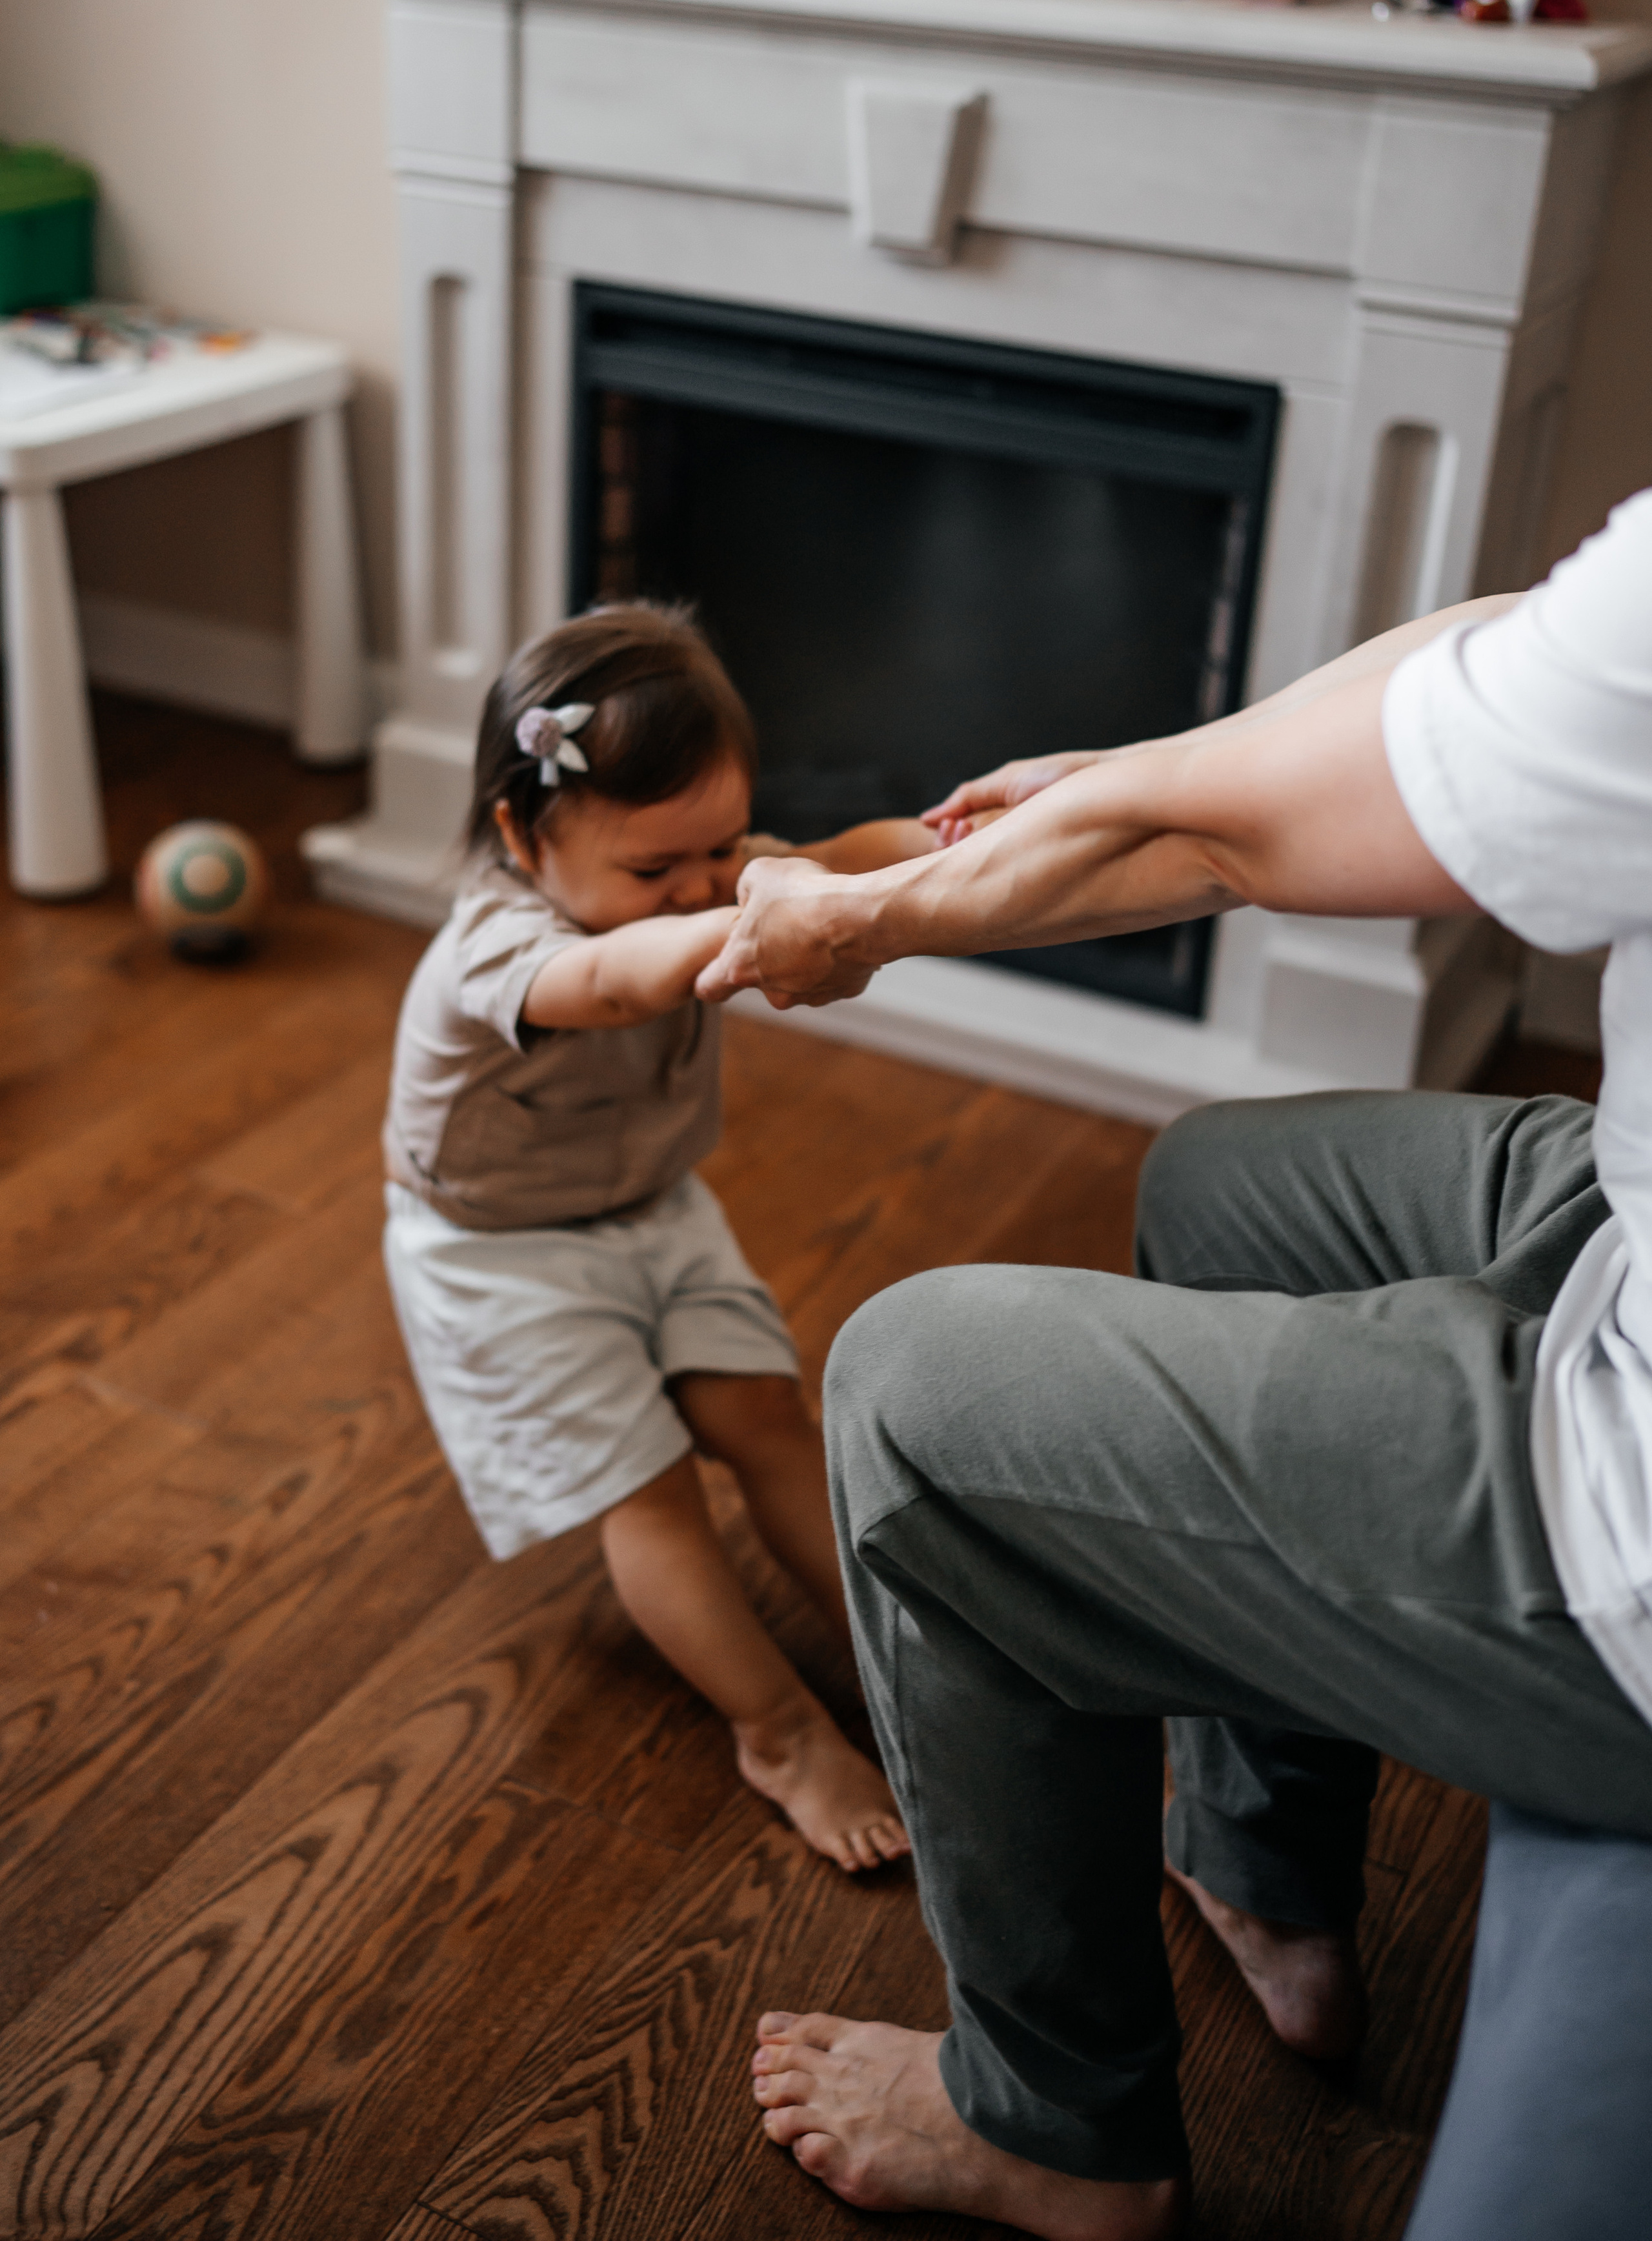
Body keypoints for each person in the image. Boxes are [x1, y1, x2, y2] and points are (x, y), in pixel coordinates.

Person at [698, 492, 1652, 2239]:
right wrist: (1144, 765)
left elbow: (1234, 846)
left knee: (912, 1393)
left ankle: (1057, 2127)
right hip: (1627, 1221)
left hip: (1635, 1495)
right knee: (1235, 1185)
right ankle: (1258, 1868)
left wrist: (878, 912)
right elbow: (1511, 643)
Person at [382, 600, 936, 1872]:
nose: (700, 885)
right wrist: (754, 918)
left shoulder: (694, 865)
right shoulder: (496, 950)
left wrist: (946, 843)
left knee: (759, 1414)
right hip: (496, 1254)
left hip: (654, 1211)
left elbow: (835, 860)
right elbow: (619, 982)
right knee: (650, 1494)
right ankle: (780, 1733)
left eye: (722, 845)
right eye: (653, 872)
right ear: (524, 835)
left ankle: (904, 1672)